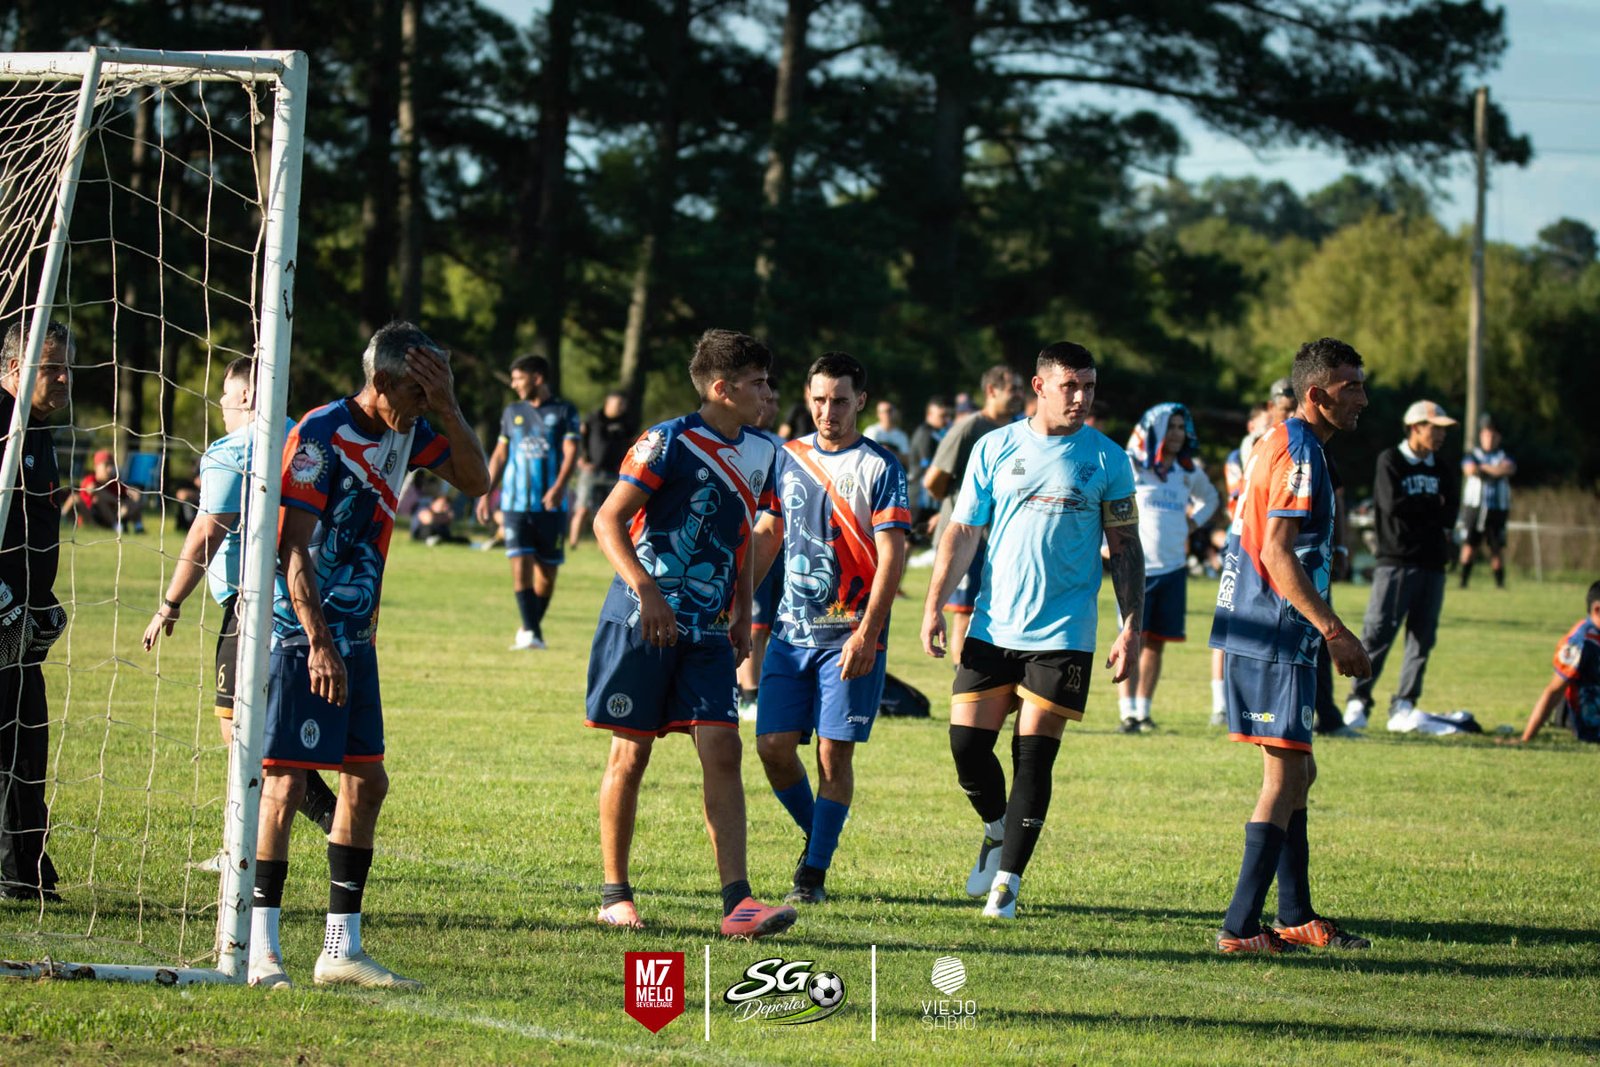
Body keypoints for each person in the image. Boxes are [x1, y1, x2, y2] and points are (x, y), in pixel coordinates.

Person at [248, 321, 489, 990]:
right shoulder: (321, 434)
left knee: (366, 782)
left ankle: (340, 949)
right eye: (418, 389)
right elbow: (291, 548)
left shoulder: (412, 429)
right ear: (380, 381)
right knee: (285, 784)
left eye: (433, 390)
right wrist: (319, 642)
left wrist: (449, 407)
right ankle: (260, 947)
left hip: (357, 638)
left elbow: (476, 481)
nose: (424, 401)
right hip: (300, 635)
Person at [920, 342, 1143, 921]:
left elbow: (1124, 546)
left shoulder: (1109, 459)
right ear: (1039, 387)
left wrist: (1131, 625)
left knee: (1033, 756)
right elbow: (963, 532)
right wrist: (934, 604)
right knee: (967, 748)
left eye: (1089, 387)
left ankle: (1008, 885)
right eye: (1070, 386)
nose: (1081, 397)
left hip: (1065, 632)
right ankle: (998, 832)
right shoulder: (994, 447)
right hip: (994, 624)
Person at [584, 328, 796, 939]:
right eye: (757, 382)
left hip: (708, 629)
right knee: (631, 754)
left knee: (724, 749)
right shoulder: (667, 442)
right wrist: (646, 590)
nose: (768, 392)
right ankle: (615, 895)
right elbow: (607, 520)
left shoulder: (763, 451)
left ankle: (738, 903)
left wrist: (742, 608)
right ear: (723, 389)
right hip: (642, 623)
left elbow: (742, 536)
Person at [1210, 337, 1373, 955]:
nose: (1362, 399)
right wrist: (1334, 631)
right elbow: (1276, 552)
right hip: (1273, 631)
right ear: (1317, 393)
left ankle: (1296, 913)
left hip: (1265, 629)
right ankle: (1240, 927)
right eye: (1351, 387)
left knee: (1300, 769)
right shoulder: (1300, 450)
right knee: (1283, 777)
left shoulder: (1281, 440)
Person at [140, 356, 336, 843]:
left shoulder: (234, 449)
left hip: (250, 606)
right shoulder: (303, 438)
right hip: (306, 602)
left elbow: (206, 534)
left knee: (241, 734)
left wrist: (170, 603)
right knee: (269, 730)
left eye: (224, 396)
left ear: (247, 395)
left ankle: (304, 832)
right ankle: (268, 842)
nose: (221, 405)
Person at [751, 352, 910, 905]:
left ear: (860, 401)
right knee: (772, 748)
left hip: (849, 639)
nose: (828, 411)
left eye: (840, 400)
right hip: (789, 636)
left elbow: (892, 556)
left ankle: (812, 875)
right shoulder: (787, 456)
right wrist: (737, 604)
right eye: (819, 400)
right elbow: (768, 534)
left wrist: (869, 633)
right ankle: (820, 836)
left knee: (832, 758)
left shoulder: (881, 467)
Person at [0, 321, 72, 903]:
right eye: (52, 368)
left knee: (29, 741)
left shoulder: (40, 431)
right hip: (3, 620)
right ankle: (10, 870)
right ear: (15, 369)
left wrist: (41, 605)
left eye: (67, 367)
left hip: (22, 626)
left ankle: (27, 864)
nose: (65, 378)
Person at [1343, 400, 1459, 732]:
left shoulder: (1442, 468)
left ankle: (1405, 703)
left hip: (1433, 563)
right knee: (1378, 632)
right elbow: (1392, 505)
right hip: (1396, 562)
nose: (1441, 435)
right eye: (1435, 428)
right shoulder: (1391, 460)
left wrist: (1422, 509)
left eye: (1444, 430)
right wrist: (1430, 506)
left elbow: (1450, 513)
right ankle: (1359, 700)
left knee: (1422, 638)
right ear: (1415, 428)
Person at [1117, 403, 1218, 733]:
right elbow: (1108, 500)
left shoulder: (1187, 471)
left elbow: (1211, 499)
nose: (1177, 433)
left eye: (1180, 427)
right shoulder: (1134, 465)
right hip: (1137, 569)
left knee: (1157, 642)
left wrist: (1193, 523)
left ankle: (1144, 712)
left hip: (1174, 567)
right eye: (1170, 426)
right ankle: (1127, 713)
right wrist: (1107, 542)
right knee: (1131, 638)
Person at [922, 366, 1025, 666]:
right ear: (991, 391)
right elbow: (933, 481)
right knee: (965, 614)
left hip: (999, 539)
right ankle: (963, 676)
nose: (1019, 395)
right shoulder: (969, 427)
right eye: (1013, 389)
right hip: (967, 537)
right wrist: (956, 504)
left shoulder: (1021, 429)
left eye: (1021, 389)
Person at [476, 355, 579, 650]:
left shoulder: (564, 411)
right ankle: (532, 633)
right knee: (520, 564)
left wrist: (559, 486)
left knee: (546, 574)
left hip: (551, 506)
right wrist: (486, 493)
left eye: (519, 378)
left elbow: (571, 452)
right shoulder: (512, 412)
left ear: (537, 378)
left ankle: (530, 628)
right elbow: (500, 455)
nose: (514, 384)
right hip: (514, 505)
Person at [737, 388, 784, 722]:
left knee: (767, 623)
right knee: (751, 620)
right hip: (747, 542)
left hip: (777, 544)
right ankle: (747, 694)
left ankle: (756, 689)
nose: (771, 406)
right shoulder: (734, 441)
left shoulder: (782, 446)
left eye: (776, 401)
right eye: (766, 399)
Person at [1507, 580, 1600, 744]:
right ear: (1597, 610)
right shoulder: (1580, 643)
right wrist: (1526, 739)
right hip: (1592, 724)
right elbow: (1554, 691)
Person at [1458, 413, 1515, 589]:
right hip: (1474, 508)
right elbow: (1469, 469)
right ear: (1481, 436)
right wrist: (1494, 470)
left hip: (1497, 508)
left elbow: (1508, 469)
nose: (1490, 438)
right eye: (1486, 434)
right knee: (1469, 545)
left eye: (1493, 435)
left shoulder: (1504, 455)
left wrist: (1483, 469)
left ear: (1498, 437)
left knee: (1496, 548)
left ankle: (1500, 584)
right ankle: (1463, 582)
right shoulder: (1472, 454)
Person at [568, 391, 632, 549]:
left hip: (613, 473)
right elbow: (579, 438)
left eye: (623, 405)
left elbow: (630, 442)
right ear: (608, 404)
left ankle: (603, 545)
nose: (622, 408)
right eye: (619, 404)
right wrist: (581, 458)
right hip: (592, 472)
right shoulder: (593, 418)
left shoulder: (625, 422)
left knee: (608, 512)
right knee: (582, 508)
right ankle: (573, 543)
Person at [62, 448, 144, 532]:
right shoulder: (90, 479)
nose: (110, 469)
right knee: (88, 498)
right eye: (106, 465)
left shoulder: (114, 482)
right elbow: (91, 490)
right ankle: (62, 518)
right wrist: (118, 503)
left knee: (133, 498)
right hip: (92, 516)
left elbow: (129, 492)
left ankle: (138, 527)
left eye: (111, 465)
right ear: (96, 467)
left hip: (115, 514)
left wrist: (133, 495)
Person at [907, 397, 951, 529]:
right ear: (929, 415)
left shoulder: (938, 433)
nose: (946, 420)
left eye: (947, 415)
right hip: (920, 498)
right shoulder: (925, 434)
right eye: (942, 416)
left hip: (930, 498)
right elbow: (928, 467)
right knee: (911, 536)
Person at [862, 399, 911, 470]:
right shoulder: (871, 431)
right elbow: (863, 453)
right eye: (883, 412)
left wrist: (892, 453)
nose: (887, 414)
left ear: (895, 412)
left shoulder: (901, 435)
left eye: (890, 411)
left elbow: (907, 459)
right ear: (878, 414)